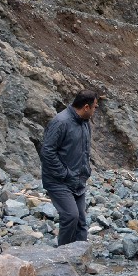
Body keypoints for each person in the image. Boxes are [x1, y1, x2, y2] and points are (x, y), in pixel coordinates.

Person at [40, 90, 98, 245]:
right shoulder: (61, 122)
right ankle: (63, 258)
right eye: (94, 107)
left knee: (81, 222)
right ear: (86, 107)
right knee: (71, 216)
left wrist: (86, 170)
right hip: (58, 180)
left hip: (78, 180)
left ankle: (80, 259)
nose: (94, 111)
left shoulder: (85, 123)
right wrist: (64, 173)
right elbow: (47, 152)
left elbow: (84, 150)